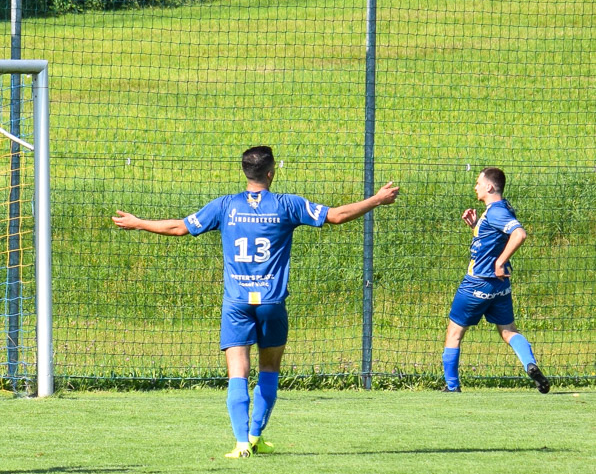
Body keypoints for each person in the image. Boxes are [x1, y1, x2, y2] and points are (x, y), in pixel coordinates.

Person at [112, 146, 398, 458]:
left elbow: (179, 227)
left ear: (245, 172)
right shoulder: (287, 204)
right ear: (271, 173)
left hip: (237, 302)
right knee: (269, 368)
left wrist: (139, 222)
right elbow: (336, 216)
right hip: (271, 302)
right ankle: (256, 435)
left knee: (238, 371)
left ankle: (241, 444)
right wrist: (377, 199)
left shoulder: (225, 206)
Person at [442, 167, 549, 394]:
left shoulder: (495, 212)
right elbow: (496, 238)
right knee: (508, 331)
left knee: (454, 333)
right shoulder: (502, 208)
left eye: (478, 183)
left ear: (489, 187)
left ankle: (452, 386)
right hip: (500, 286)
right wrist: (476, 227)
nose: (475, 187)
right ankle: (530, 364)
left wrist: (500, 261)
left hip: (477, 282)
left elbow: (519, 234)